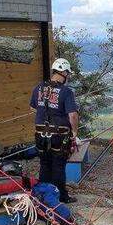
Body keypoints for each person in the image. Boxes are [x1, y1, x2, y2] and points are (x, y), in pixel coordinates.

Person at [30, 58, 79, 203]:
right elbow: (73, 115)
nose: (68, 77)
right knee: (58, 165)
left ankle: (43, 193)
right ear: (63, 72)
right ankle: (61, 196)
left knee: (45, 163)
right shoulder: (66, 92)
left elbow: (33, 108)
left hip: (40, 134)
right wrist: (74, 133)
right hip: (59, 135)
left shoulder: (38, 88)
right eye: (67, 73)